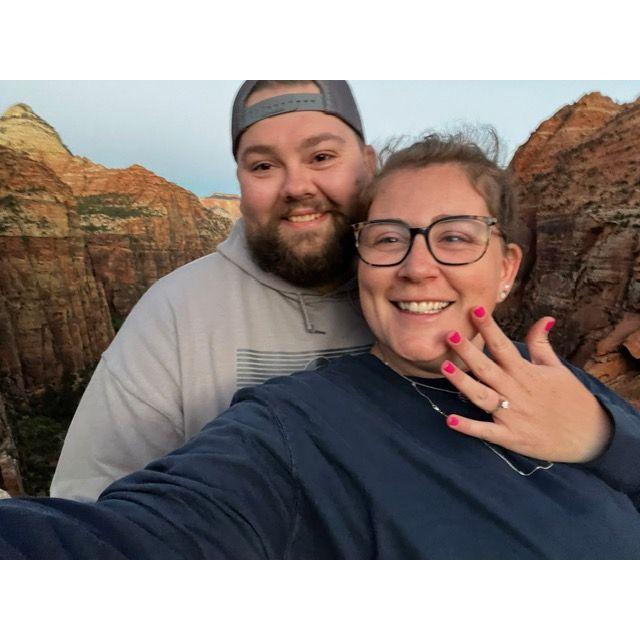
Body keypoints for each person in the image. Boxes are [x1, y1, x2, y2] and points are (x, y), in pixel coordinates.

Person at [1, 132, 640, 559]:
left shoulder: (558, 383)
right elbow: (130, 544)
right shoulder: (291, 428)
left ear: (506, 267)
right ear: (359, 262)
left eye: (455, 236)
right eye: (389, 238)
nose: (416, 267)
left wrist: (601, 434)